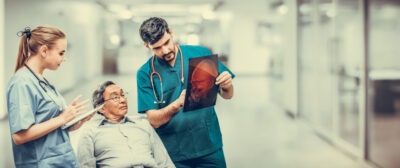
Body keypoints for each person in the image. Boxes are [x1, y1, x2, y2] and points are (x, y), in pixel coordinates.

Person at [136, 17, 235, 167]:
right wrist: (175, 105)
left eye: (166, 42)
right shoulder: (145, 73)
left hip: (209, 146)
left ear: (171, 32)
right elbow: (153, 120)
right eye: (157, 48)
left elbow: (227, 95)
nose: (165, 50)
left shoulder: (200, 54)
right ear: (146, 45)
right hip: (174, 152)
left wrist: (227, 85)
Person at [6, 25, 90, 168]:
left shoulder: (40, 79)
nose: (64, 59)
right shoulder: (22, 83)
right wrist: (62, 118)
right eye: (61, 53)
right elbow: (20, 136)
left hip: (60, 159)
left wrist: (71, 122)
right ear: (44, 50)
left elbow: (49, 124)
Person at [77, 81, 175, 168]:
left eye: (123, 95)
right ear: (101, 108)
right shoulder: (90, 132)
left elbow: (164, 162)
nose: (123, 100)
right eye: (115, 97)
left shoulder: (143, 124)